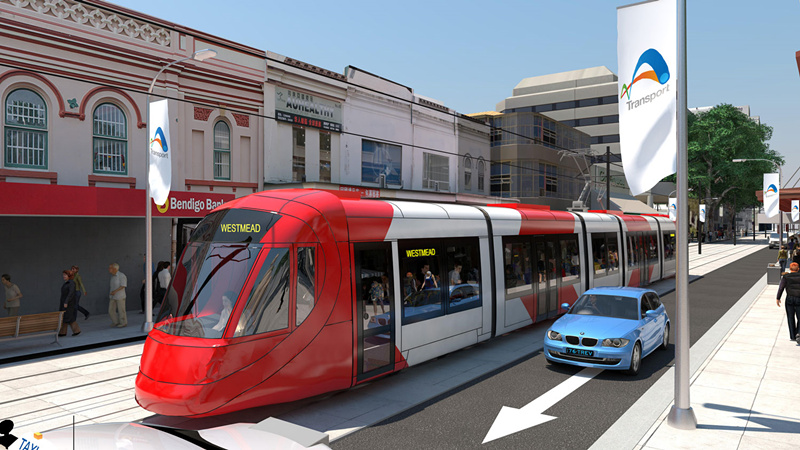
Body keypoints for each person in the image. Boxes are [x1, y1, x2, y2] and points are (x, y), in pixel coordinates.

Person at [776, 262, 800, 342]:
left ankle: (793, 336)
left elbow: (781, 287)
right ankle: (799, 333)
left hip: (789, 298)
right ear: (798, 269)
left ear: (790, 269)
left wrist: (778, 298)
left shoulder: (786, 277)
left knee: (790, 317)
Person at [59, 269, 81, 336]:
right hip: (65, 303)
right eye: (63, 275)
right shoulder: (67, 283)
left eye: (65, 275)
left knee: (67, 317)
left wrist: (66, 302)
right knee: (67, 317)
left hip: (68, 304)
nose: (63, 276)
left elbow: (71, 294)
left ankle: (65, 332)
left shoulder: (71, 283)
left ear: (69, 275)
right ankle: (65, 332)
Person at [108, 262, 128, 328]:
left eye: (110, 268)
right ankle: (115, 322)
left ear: (115, 268)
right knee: (111, 310)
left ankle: (123, 323)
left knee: (121, 310)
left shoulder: (121, 275)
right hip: (113, 296)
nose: (109, 269)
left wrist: (115, 291)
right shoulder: (112, 276)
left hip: (120, 296)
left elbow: (123, 285)